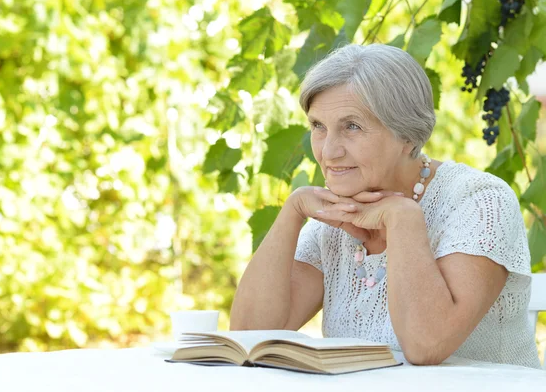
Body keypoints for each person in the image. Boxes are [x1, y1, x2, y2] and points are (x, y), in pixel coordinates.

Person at [229, 44, 541, 368]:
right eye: (318, 126)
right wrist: (292, 213)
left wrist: (402, 217)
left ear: (407, 135)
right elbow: (250, 335)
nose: (329, 152)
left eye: (352, 126)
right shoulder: (336, 215)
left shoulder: (479, 201)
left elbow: (425, 345)